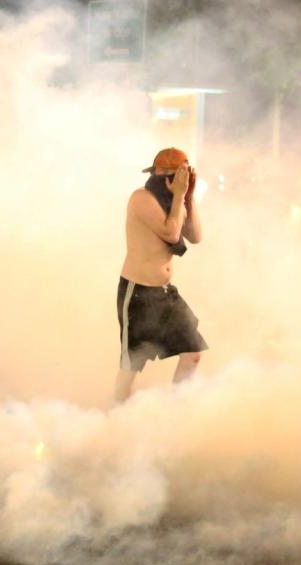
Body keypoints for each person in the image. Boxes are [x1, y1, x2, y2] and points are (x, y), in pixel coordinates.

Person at [115, 147, 207, 403]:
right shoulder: (141, 198)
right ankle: (114, 418)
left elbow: (195, 236)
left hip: (165, 293)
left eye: (181, 176)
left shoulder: (176, 202)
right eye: (171, 176)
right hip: (139, 293)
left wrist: (188, 197)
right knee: (131, 366)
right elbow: (171, 234)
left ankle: (173, 413)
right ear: (158, 175)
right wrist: (179, 196)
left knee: (193, 353)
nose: (176, 182)